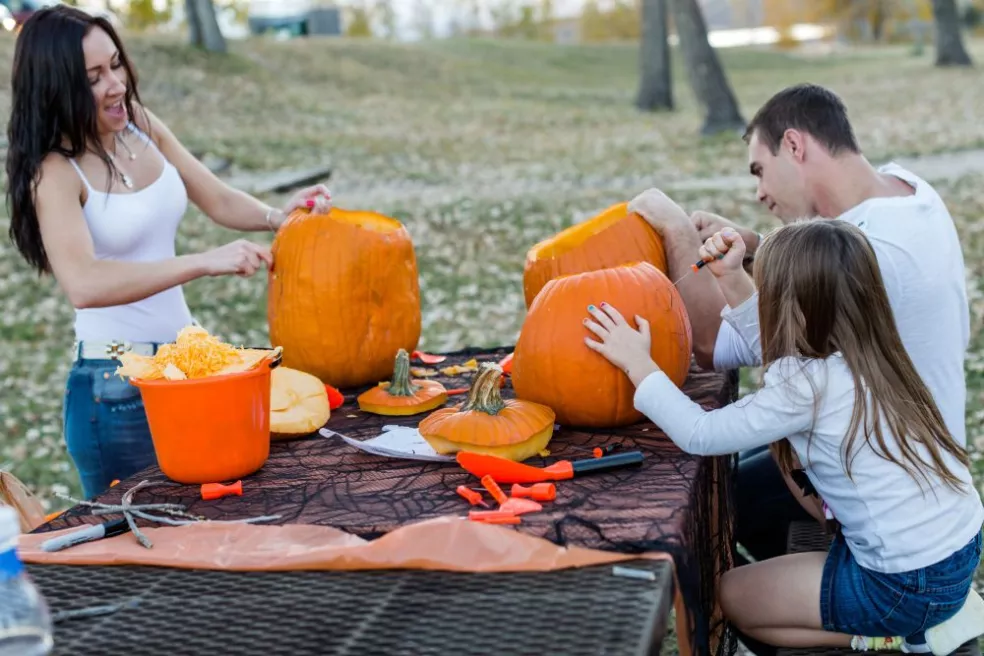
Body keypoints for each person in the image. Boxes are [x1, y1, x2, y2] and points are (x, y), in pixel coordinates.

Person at [581, 219, 984, 656]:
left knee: (732, 595)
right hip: (954, 553)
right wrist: (732, 277)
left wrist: (638, 363)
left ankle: (894, 637)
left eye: (765, 289)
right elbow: (780, 344)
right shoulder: (870, 350)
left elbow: (700, 432)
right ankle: (919, 620)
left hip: (905, 584)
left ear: (794, 307)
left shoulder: (806, 388)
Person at [625, 83, 972, 569]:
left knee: (724, 500)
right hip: (916, 454)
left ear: (795, 145)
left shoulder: (879, 252)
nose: (760, 192)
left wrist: (678, 232)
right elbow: (840, 255)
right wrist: (759, 248)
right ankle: (825, 579)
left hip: (890, 480)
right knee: (742, 475)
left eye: (760, 170)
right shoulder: (906, 192)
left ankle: (846, 607)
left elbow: (717, 344)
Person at [5, 6, 332, 500]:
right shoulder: (54, 173)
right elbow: (85, 284)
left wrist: (278, 218)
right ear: (56, 87)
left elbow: (216, 197)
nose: (116, 84)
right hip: (115, 389)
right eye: (93, 77)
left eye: (115, 64)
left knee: (207, 526)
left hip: (186, 367)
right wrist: (202, 262)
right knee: (139, 550)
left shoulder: (137, 125)